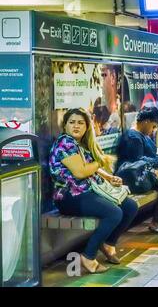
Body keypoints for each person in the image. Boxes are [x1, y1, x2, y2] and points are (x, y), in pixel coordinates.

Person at [49, 108, 138, 274]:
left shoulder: (80, 143)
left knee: (130, 206)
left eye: (80, 122)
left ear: (86, 126)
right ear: (65, 125)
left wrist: (108, 177)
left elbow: (91, 167)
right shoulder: (65, 143)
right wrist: (101, 162)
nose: (76, 126)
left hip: (88, 190)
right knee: (114, 213)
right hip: (69, 196)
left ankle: (109, 243)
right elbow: (81, 172)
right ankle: (88, 257)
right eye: (72, 122)